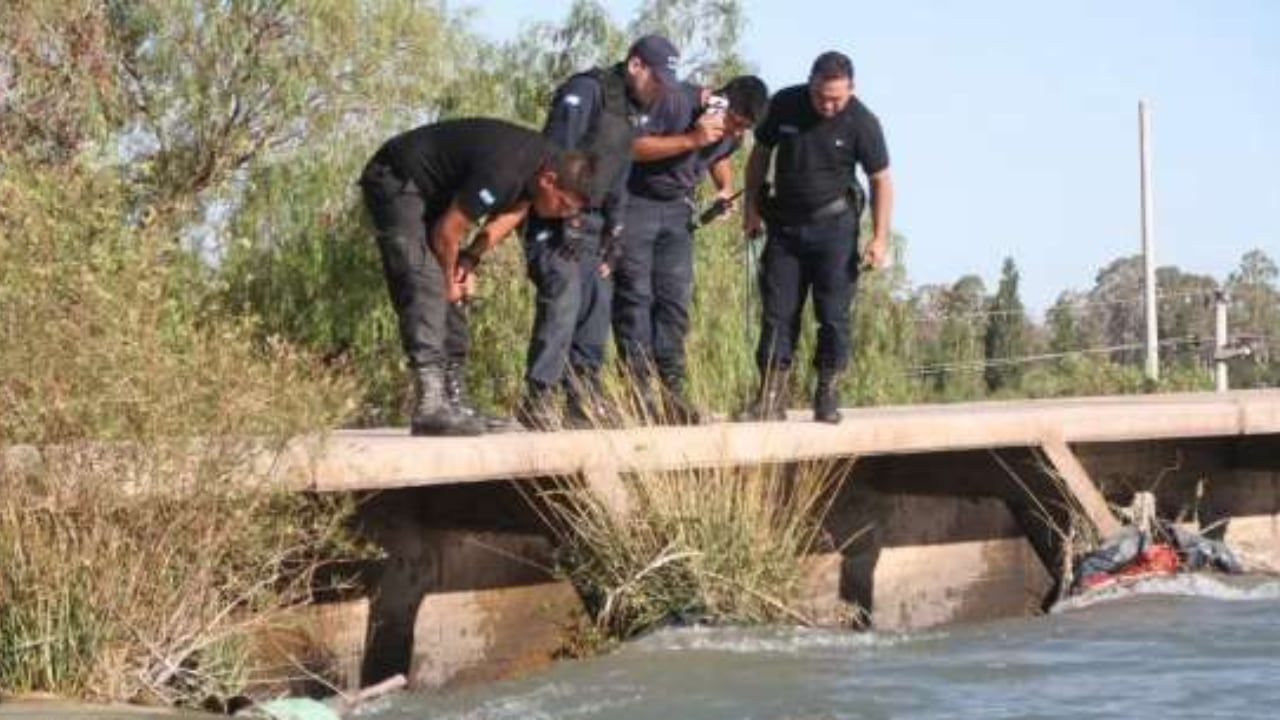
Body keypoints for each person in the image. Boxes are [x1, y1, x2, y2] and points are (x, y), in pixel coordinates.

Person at [360, 118, 594, 436]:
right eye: (564, 207)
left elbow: (515, 211)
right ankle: (430, 403)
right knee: (426, 278)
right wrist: (449, 282)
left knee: (453, 274)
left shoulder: (546, 161)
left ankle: (455, 401)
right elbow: (447, 233)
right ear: (549, 181)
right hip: (397, 179)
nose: (563, 217)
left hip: (435, 195)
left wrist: (470, 258)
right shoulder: (505, 170)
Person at [518, 34, 681, 430]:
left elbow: (618, 174)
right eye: (656, 81)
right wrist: (567, 221)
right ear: (635, 66)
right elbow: (554, 155)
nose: (659, 93)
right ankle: (538, 397)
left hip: (596, 225)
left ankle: (582, 398)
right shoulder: (586, 91)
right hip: (556, 215)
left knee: (597, 306)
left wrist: (616, 229)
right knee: (564, 298)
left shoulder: (628, 110)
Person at [739, 51, 895, 423]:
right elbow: (760, 154)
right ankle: (771, 398)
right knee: (777, 314)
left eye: (836, 98)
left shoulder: (863, 121)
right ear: (810, 83)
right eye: (821, 96)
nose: (827, 104)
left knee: (833, 316)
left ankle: (826, 394)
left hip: (835, 231)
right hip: (785, 230)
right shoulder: (785, 104)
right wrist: (750, 208)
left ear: (851, 90)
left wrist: (879, 237)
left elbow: (881, 180)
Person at [612, 75, 769, 424]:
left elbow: (719, 155)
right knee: (636, 299)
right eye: (733, 122)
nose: (733, 132)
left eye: (742, 129)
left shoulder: (731, 135)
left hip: (678, 214)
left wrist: (725, 187)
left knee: (673, 304)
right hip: (636, 204)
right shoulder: (673, 101)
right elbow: (631, 147)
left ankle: (672, 394)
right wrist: (691, 139)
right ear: (719, 100)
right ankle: (638, 393)